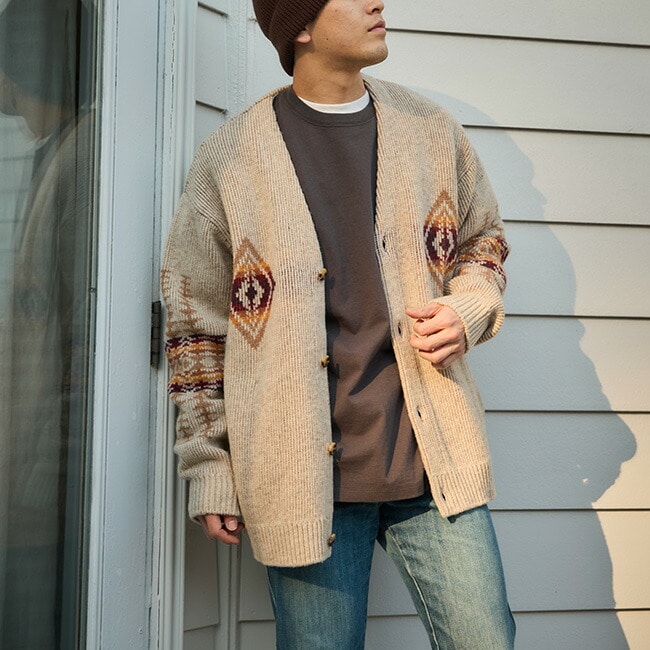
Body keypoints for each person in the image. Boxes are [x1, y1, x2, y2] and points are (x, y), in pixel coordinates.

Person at [161, 0, 516, 647]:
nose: (377, 3)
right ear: (299, 25)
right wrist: (209, 464)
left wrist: (467, 309)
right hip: (299, 479)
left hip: (432, 464)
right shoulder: (230, 159)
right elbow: (195, 327)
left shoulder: (429, 131)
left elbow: (483, 240)